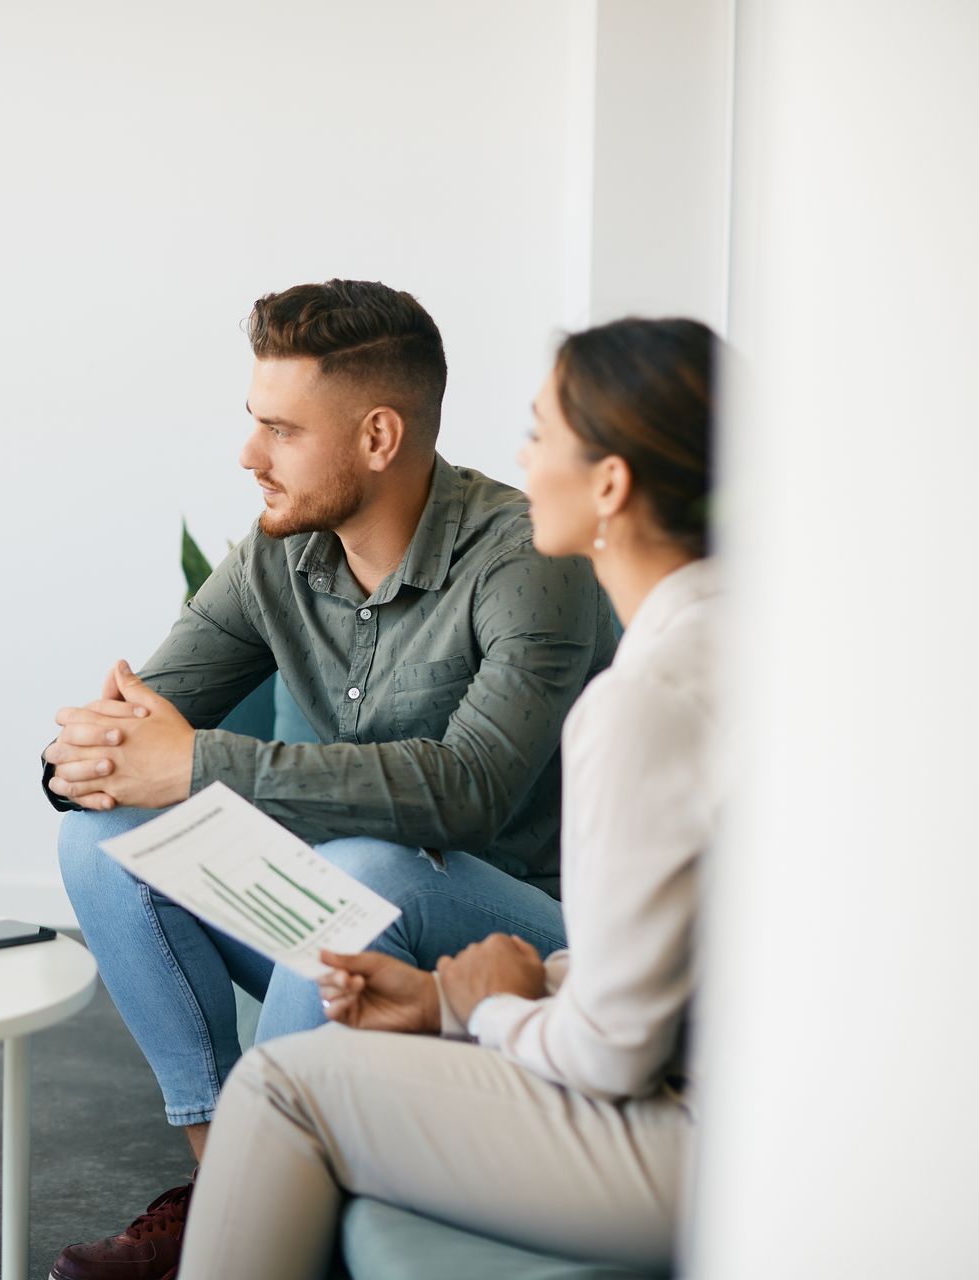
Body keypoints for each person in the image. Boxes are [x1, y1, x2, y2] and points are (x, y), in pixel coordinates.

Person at [46, 279, 618, 1280]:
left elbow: (470, 787)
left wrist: (196, 761)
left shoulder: (526, 556)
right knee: (99, 838)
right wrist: (85, 758)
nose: (249, 456)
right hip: (340, 932)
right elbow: (136, 725)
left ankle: (253, 1216)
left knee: (374, 868)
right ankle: (230, 1185)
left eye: (280, 429)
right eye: (252, 423)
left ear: (379, 436)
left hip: (523, 935)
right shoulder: (280, 554)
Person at [176, 317, 718, 1278]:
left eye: (541, 431)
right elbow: (691, 969)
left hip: (720, 1145)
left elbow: (613, 1057)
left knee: (281, 1086)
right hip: (727, 1082)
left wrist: (487, 1009)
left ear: (610, 485)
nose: (518, 457)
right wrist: (441, 999)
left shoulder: (641, 702)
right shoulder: (732, 643)